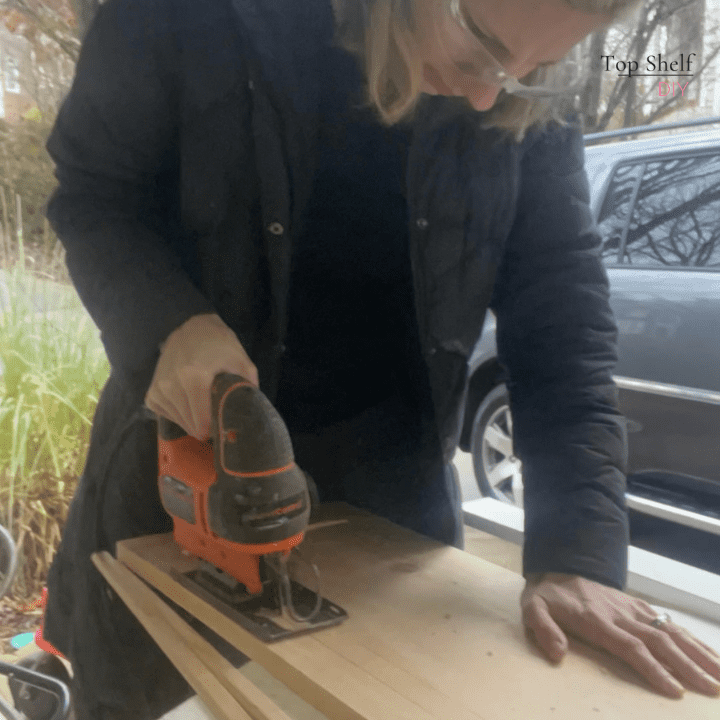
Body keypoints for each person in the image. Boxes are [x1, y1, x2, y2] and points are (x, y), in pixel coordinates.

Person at [42, 0, 720, 717]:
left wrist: (576, 555)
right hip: (183, 502)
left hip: (395, 526)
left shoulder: (514, 75)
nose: (492, 95)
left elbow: (562, 327)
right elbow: (93, 196)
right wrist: (169, 324)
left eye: (535, 72)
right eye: (483, 49)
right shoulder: (196, 16)